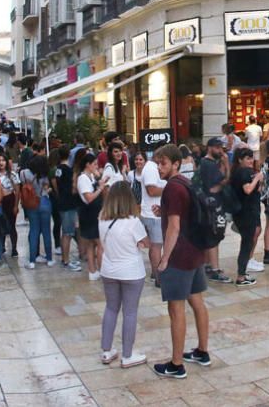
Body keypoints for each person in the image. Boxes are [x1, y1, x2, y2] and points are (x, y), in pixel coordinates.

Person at [153, 144, 210, 380]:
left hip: (179, 257)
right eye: (157, 162)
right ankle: (202, 351)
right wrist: (163, 212)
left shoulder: (171, 189)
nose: (159, 167)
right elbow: (180, 215)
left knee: (176, 310)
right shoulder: (185, 183)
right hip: (195, 253)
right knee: (197, 302)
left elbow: (174, 227)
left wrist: (164, 258)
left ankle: (176, 364)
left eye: (163, 163)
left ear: (176, 164)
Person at [98, 181, 149, 368]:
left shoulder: (102, 219)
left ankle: (106, 350)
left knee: (111, 308)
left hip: (108, 269)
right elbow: (146, 243)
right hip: (131, 272)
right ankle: (127, 355)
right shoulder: (133, 222)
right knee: (130, 312)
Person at [198, 138, 234, 284]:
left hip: (207, 204)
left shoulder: (206, 163)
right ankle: (215, 269)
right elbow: (223, 181)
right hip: (213, 205)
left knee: (209, 236)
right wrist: (226, 165)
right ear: (210, 148)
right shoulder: (208, 164)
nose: (221, 151)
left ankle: (207, 265)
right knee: (215, 236)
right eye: (218, 148)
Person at [230, 147, 264, 286]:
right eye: (247, 158)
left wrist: (258, 181)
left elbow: (256, 190)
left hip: (248, 211)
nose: (250, 161)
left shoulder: (242, 172)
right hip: (246, 213)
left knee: (248, 241)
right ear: (240, 160)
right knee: (246, 244)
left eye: (251, 158)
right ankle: (241, 276)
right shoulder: (243, 172)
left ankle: (243, 273)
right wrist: (257, 178)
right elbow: (248, 189)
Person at [77, 153, 111, 281]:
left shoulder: (90, 177)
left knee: (92, 244)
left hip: (92, 214)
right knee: (99, 244)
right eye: (94, 164)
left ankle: (93, 270)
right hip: (89, 215)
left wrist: (100, 181)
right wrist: (100, 187)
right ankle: (101, 271)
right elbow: (89, 198)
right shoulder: (83, 179)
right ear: (88, 165)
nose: (96, 166)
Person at [22, 154, 55, 268]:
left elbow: (23, 184)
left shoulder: (24, 173)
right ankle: (49, 259)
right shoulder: (44, 174)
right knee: (46, 231)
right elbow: (47, 189)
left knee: (34, 231)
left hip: (32, 204)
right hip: (44, 202)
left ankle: (32, 261)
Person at [140, 147, 166, 287]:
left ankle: (155, 273)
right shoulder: (150, 168)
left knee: (156, 245)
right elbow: (151, 190)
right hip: (152, 214)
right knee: (156, 246)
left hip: (154, 213)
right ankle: (158, 277)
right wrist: (169, 188)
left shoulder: (153, 167)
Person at [55, 147, 83, 272]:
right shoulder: (68, 170)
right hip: (69, 205)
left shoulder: (58, 170)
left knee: (65, 233)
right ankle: (66, 260)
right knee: (68, 233)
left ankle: (64, 258)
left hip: (61, 203)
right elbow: (73, 188)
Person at [0, 153, 21, 258]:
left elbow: (17, 190)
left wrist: (16, 205)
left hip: (10, 200)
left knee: (11, 225)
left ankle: (14, 248)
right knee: (0, 224)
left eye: (3, 160)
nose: (1, 163)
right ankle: (1, 246)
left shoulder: (12, 175)